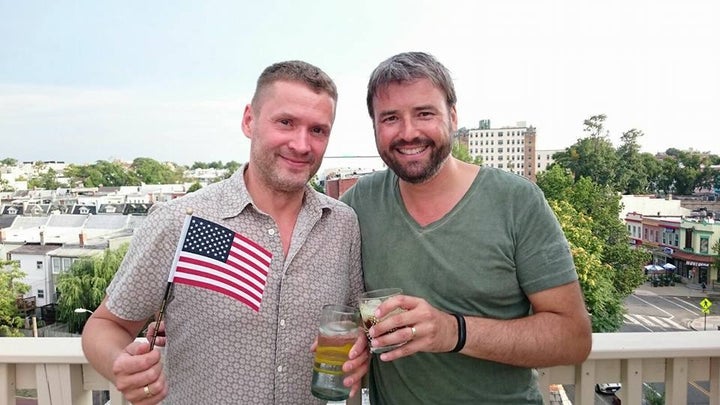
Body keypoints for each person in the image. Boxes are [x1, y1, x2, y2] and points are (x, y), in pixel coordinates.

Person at [81, 60, 369, 404]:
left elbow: (356, 325)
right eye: (286, 122)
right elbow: (104, 326)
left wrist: (360, 347)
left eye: (318, 130)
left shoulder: (341, 224)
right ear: (249, 120)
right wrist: (121, 364)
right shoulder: (184, 220)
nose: (302, 144)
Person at [340, 52, 592, 404]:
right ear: (375, 127)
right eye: (390, 118)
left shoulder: (516, 201)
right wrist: (352, 342)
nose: (408, 132)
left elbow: (573, 338)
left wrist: (453, 331)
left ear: (453, 117)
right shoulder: (357, 204)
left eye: (424, 113)